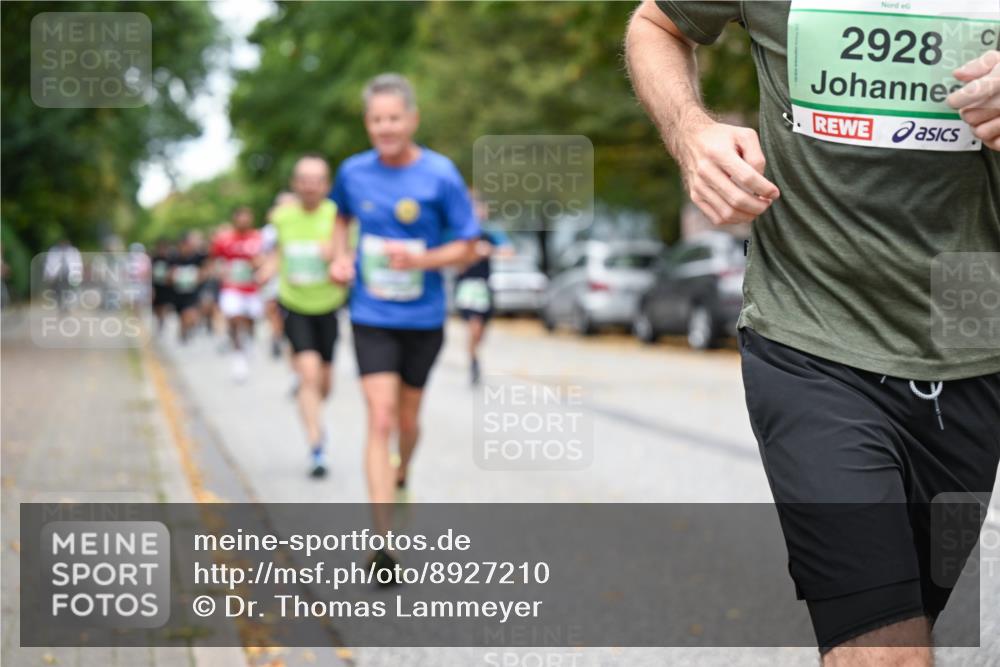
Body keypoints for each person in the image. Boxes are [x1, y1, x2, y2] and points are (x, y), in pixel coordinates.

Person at [627, 3, 1000, 664]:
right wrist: (692, 134)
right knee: (885, 651)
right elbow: (656, 25)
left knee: (911, 623)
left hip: (972, 348)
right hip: (809, 339)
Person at [329, 73, 480, 577]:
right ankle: (383, 541)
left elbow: (467, 245)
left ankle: (403, 471)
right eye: (376, 120)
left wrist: (420, 262)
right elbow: (340, 220)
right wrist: (339, 259)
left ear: (412, 119)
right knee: (381, 417)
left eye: (394, 117)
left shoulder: (441, 174)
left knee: (409, 421)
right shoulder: (352, 172)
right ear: (367, 124)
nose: (386, 127)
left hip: (423, 317)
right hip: (371, 314)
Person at [258, 156, 347, 478]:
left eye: (317, 179)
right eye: (304, 179)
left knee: (325, 384)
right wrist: (268, 268)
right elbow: (277, 253)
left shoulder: (338, 217)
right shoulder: (282, 218)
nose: (310, 185)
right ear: (295, 184)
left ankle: (313, 411)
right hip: (294, 306)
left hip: (329, 307)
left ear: (326, 185)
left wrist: (336, 258)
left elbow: (350, 258)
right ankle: (316, 445)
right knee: (308, 376)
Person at [454, 219, 512, 385]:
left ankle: (474, 355)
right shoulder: (460, 232)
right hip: (466, 287)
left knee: (480, 332)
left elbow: (509, 252)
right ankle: (473, 364)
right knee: (474, 326)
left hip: (484, 288)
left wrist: (490, 251)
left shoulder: (490, 233)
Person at [211, 206, 264, 382]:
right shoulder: (223, 239)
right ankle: (238, 357)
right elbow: (216, 261)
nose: (244, 220)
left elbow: (266, 259)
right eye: (240, 217)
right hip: (231, 288)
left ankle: (249, 339)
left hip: (252, 289)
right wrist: (221, 272)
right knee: (234, 319)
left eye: (247, 217)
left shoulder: (258, 238)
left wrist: (258, 265)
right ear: (235, 219)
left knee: (250, 320)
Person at [261, 192, 299, 359]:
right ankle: (277, 335)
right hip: (275, 277)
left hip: (297, 279)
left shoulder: (303, 225)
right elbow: (263, 254)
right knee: (273, 307)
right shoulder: (269, 232)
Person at [169, 231, 208, 343]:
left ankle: (188, 329)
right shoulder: (174, 258)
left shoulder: (197, 257)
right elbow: (168, 275)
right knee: (182, 317)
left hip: (192, 292)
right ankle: (182, 332)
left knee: (190, 314)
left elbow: (205, 270)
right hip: (178, 293)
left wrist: (199, 276)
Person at [42, 238, 83, 313]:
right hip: (57, 276)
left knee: (69, 291)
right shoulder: (54, 251)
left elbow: (78, 263)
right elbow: (49, 263)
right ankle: (61, 305)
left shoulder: (73, 251)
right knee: (58, 291)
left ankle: (67, 306)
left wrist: (78, 275)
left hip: (69, 275)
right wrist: (48, 274)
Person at [150, 239, 175, 334]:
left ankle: (163, 321)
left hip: (166, 287)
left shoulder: (170, 259)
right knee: (156, 307)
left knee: (164, 305)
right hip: (156, 286)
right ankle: (159, 320)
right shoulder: (154, 259)